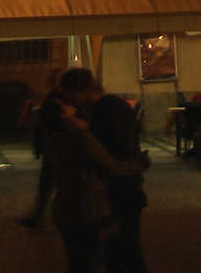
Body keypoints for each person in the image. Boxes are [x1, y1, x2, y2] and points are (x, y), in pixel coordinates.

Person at [44, 68, 149, 273]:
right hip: (110, 196)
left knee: (125, 255)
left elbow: (116, 153)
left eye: (70, 95)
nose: (70, 101)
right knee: (115, 256)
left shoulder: (111, 107)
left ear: (83, 90)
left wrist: (86, 133)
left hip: (123, 193)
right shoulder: (92, 112)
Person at [88, 89, 148, 273]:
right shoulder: (114, 108)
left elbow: (114, 160)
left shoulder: (106, 109)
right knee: (124, 248)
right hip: (127, 189)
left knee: (123, 249)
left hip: (122, 190)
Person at [15, 76, 67, 228]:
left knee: (49, 185)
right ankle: (41, 216)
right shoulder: (56, 99)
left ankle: (42, 216)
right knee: (48, 185)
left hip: (56, 149)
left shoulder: (57, 101)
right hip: (52, 149)